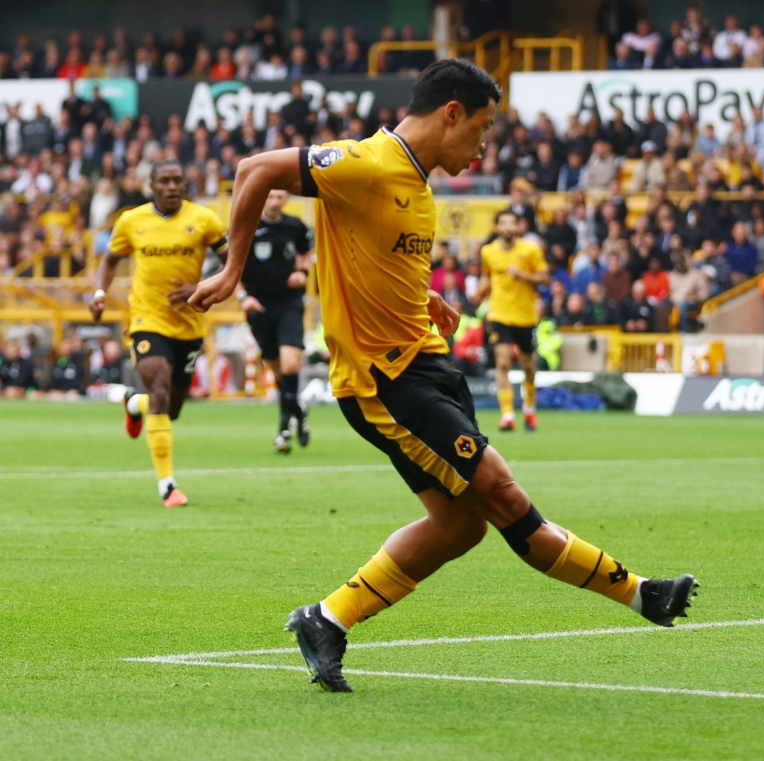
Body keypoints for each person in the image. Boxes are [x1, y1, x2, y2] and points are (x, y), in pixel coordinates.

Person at [188, 59, 697, 693]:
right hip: (385, 382)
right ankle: (641, 594)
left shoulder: (418, 185)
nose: (485, 144)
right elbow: (253, 169)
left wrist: (422, 298)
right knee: (504, 497)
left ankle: (327, 619)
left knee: (462, 526)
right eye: (482, 128)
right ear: (450, 112)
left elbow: (368, 254)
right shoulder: (365, 163)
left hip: (429, 365)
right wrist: (233, 270)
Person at [90, 158, 229, 508]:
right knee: (161, 387)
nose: (171, 186)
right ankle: (168, 485)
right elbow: (109, 260)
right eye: (164, 181)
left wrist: (201, 286)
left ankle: (134, 404)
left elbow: (233, 262)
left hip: (190, 323)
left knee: (171, 408)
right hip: (146, 319)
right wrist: (99, 293)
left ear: (185, 184)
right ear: (151, 185)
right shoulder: (131, 221)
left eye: (177, 180)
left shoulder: (205, 220)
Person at [237, 188, 314, 452]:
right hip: (258, 307)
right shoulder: (246, 225)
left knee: (291, 364)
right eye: (269, 197)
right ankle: (299, 410)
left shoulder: (295, 226)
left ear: (286, 199)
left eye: (279, 197)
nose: (274, 202)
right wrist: (243, 296)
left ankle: (283, 430)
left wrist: (302, 272)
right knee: (279, 373)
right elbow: (230, 264)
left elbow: (305, 252)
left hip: (289, 302)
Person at [479, 209, 549, 432]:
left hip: (525, 317)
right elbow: (487, 276)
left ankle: (529, 407)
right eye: (504, 223)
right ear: (497, 227)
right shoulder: (488, 251)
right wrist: (482, 290)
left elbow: (545, 277)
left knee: (528, 366)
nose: (508, 227)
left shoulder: (530, 250)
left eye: (512, 223)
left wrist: (523, 275)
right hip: (499, 315)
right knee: (503, 363)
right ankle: (508, 415)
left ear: (518, 227)